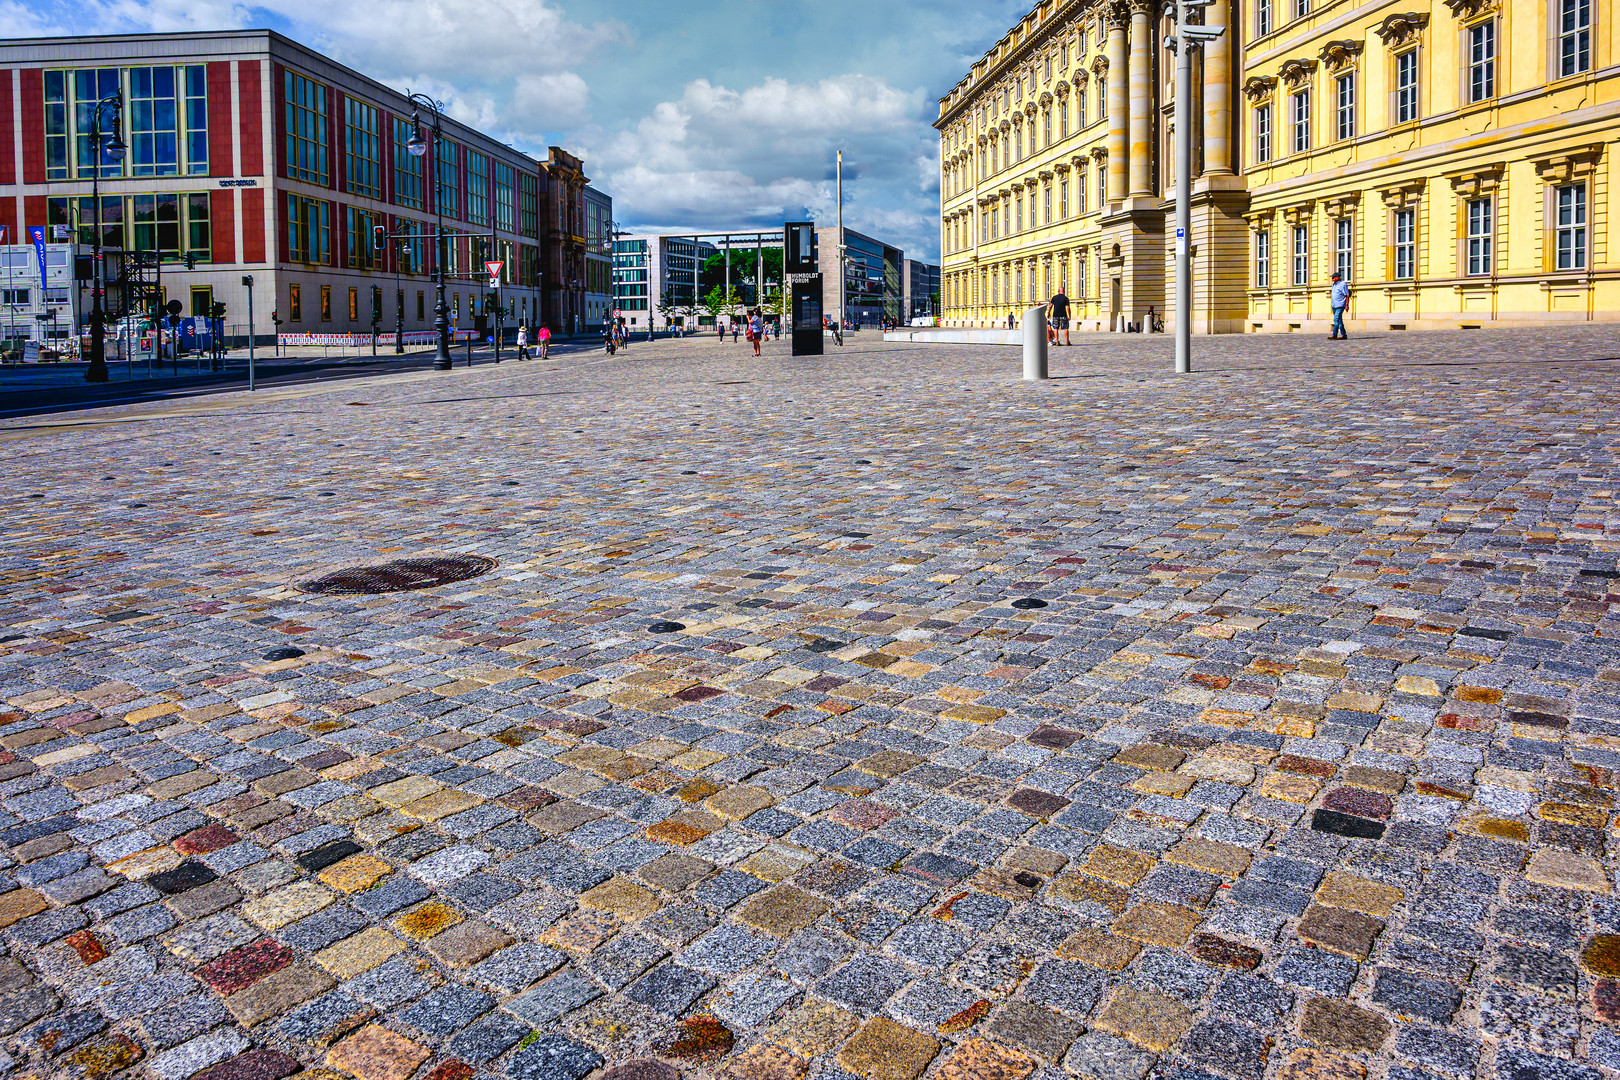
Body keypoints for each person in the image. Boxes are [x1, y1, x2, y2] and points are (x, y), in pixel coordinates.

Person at [1328, 272, 1351, 339]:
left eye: (1334, 277)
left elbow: (1347, 295)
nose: (1332, 279)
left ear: (1338, 277)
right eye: (1332, 277)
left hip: (1340, 305)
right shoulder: (1334, 285)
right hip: (1334, 305)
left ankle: (1334, 334)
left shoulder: (1343, 284)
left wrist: (1347, 305)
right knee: (1339, 320)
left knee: (1336, 319)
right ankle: (1344, 335)